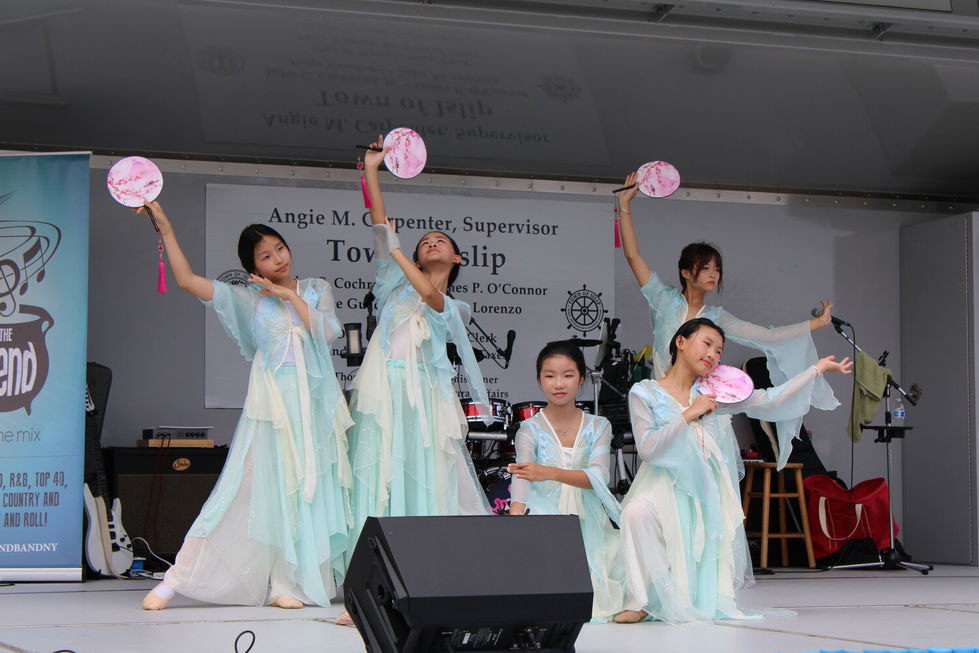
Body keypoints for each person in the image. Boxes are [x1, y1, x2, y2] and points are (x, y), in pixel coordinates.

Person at [139, 203, 353, 610]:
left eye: (279, 248)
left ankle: (290, 583)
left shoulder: (314, 288)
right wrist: (165, 227)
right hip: (272, 409)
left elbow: (326, 334)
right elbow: (185, 280)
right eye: (265, 256)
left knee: (307, 492)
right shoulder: (246, 299)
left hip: (315, 409)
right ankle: (178, 578)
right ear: (252, 267)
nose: (277, 258)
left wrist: (289, 294)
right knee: (244, 487)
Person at [336, 137, 493, 625]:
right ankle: (364, 591)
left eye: (440, 241)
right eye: (425, 241)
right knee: (378, 473)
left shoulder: (457, 307)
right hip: (384, 390)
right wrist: (371, 170)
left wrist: (402, 249)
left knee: (426, 476)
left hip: (426, 396)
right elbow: (382, 224)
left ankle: (427, 578)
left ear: (459, 260)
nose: (431, 243)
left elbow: (430, 296)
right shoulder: (390, 278)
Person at [614, 318, 852, 623]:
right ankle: (640, 600)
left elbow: (771, 398)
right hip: (661, 483)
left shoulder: (718, 393)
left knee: (699, 539)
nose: (713, 354)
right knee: (635, 513)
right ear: (681, 342)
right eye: (707, 343)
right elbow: (648, 448)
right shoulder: (644, 392)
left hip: (703, 487)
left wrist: (815, 370)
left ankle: (684, 599)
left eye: (719, 350)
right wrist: (689, 413)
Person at [617, 173, 837, 469]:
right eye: (705, 267)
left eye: (717, 269)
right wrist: (624, 206)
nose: (713, 275)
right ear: (685, 272)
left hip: (706, 408)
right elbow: (632, 256)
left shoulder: (717, 319)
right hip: (664, 404)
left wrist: (816, 324)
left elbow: (767, 336)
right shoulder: (663, 298)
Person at [508, 341, 624, 621]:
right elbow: (522, 481)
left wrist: (549, 472)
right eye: (549, 376)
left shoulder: (599, 426)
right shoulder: (528, 429)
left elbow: (599, 477)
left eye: (568, 375)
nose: (558, 383)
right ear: (539, 380)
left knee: (623, 556)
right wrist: (513, 520)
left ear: (581, 379)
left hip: (590, 518)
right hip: (546, 516)